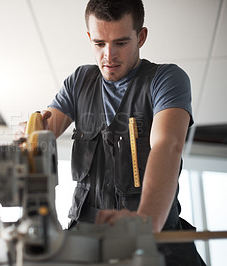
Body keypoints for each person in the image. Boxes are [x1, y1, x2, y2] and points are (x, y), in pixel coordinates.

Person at [20, 0, 206, 265]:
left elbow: (168, 144)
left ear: (140, 37)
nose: (109, 55)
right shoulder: (79, 82)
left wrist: (146, 224)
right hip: (85, 242)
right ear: (89, 38)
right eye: (99, 44)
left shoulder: (166, 80)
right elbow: (44, 131)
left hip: (156, 241)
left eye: (120, 43)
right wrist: (32, 131)